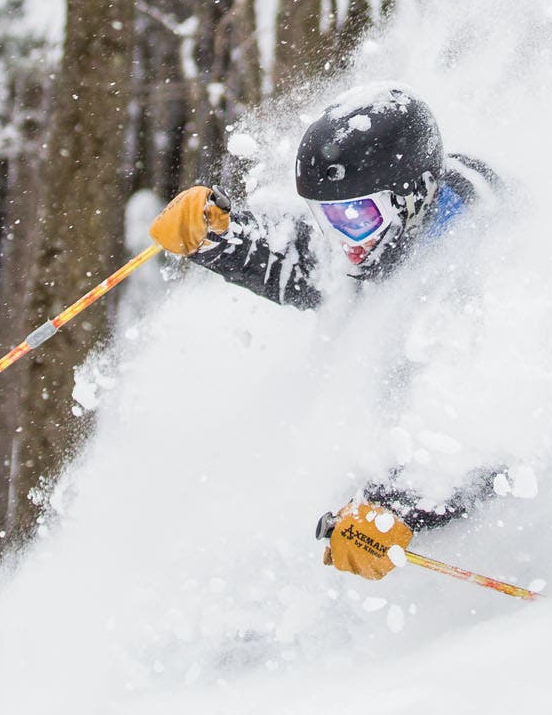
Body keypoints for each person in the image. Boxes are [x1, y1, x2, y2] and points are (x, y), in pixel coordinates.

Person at [149, 84, 502, 583]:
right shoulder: (391, 232)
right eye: (327, 217)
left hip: (478, 534)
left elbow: (493, 432)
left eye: (354, 218)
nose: (341, 240)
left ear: (410, 196)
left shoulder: (483, 273)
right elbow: (308, 269)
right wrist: (221, 238)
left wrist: (400, 508)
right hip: (373, 497)